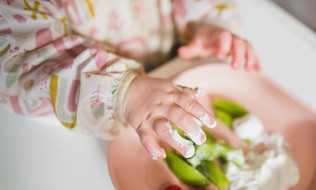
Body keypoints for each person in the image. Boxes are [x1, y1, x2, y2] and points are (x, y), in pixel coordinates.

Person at [0, 0, 259, 160]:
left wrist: (207, 23)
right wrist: (122, 92)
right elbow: (21, 64)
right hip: (79, 113)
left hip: (162, 74)